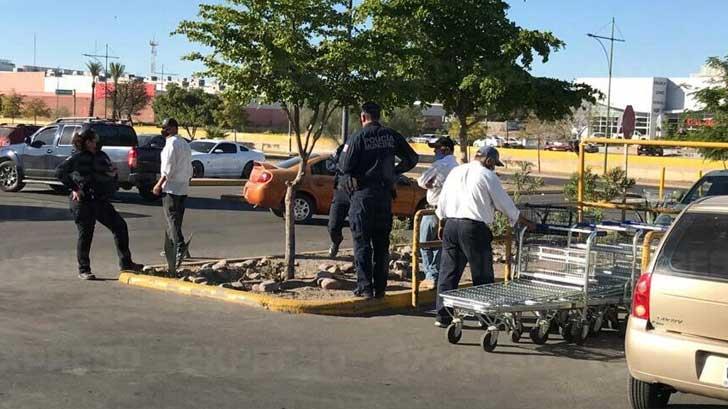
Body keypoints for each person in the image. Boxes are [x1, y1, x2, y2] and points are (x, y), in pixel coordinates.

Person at [434, 146, 536, 327]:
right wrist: (526, 222)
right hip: (473, 228)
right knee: (482, 275)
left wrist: (442, 223)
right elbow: (505, 205)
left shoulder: (456, 171)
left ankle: (443, 316)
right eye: (494, 164)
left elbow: (442, 200)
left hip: (451, 225)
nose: (494, 168)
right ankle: (486, 318)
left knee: (448, 273)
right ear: (488, 160)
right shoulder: (487, 175)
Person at [338, 102, 419, 299]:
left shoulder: (357, 137)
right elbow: (412, 158)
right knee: (382, 245)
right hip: (384, 197)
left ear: (363, 117)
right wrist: (394, 172)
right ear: (378, 116)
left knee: (362, 243)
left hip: (363, 197)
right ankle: (381, 288)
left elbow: (344, 167)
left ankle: (365, 288)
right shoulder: (391, 135)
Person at [56, 129, 144, 280]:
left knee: (120, 226)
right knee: (86, 234)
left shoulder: (101, 155)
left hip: (100, 200)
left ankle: (126, 263)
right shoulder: (77, 157)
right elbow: (60, 172)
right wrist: (75, 188)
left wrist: (112, 174)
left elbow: (109, 171)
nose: (96, 143)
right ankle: (84, 270)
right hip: (83, 202)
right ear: (86, 142)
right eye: (93, 140)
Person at [152, 118, 193, 272]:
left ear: (174, 128)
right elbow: (189, 167)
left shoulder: (171, 144)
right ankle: (173, 247)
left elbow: (168, 167)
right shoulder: (185, 144)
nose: (164, 131)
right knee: (176, 220)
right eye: (163, 128)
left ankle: (178, 248)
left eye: (167, 128)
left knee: (172, 220)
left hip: (171, 188)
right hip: (183, 188)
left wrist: (158, 184)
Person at [417, 137, 458, 287]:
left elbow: (421, 181)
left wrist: (431, 184)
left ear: (445, 149)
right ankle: (438, 274)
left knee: (425, 243)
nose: (434, 151)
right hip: (450, 211)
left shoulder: (440, 165)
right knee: (441, 244)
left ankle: (431, 276)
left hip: (433, 209)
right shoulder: (456, 166)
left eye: (437, 148)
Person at [326, 144, 350, 258]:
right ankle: (336, 241)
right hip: (341, 192)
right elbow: (329, 163)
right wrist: (342, 167)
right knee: (333, 226)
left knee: (359, 228)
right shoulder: (344, 147)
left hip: (359, 193)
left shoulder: (370, 147)